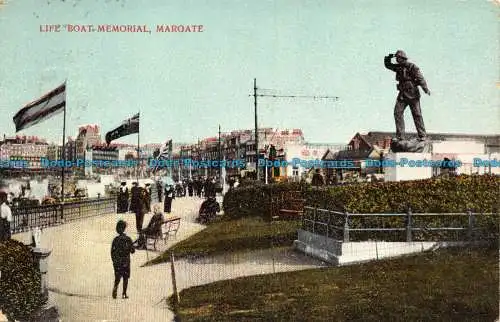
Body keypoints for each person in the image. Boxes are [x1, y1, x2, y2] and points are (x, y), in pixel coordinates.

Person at [384, 50, 431, 141]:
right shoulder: (398, 67)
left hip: (413, 94)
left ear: (402, 58)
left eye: (398, 58)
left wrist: (425, 89)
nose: (396, 60)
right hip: (402, 95)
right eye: (396, 58)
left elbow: (420, 78)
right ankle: (400, 136)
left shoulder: (412, 66)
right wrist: (388, 57)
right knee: (397, 113)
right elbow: (388, 65)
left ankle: (422, 135)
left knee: (417, 114)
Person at [111, 220, 135, 299]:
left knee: (117, 277)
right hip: (126, 262)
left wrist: (114, 261)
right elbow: (132, 251)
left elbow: (112, 251)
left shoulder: (115, 239)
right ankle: (124, 294)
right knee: (125, 277)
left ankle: (115, 288)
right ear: (124, 229)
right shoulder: (128, 239)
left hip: (117, 262)